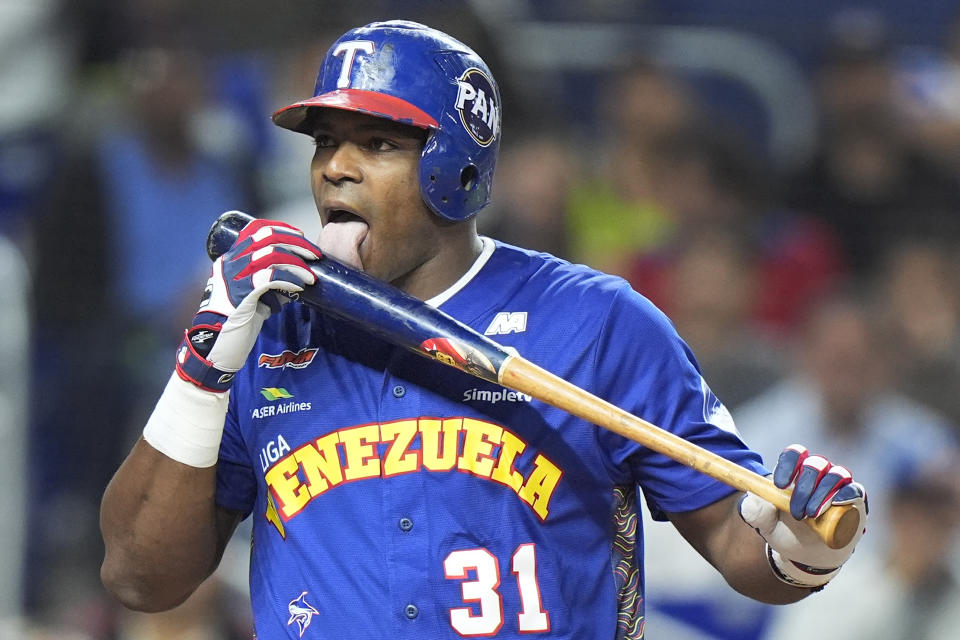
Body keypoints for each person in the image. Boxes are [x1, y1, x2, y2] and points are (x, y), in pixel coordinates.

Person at [100, 20, 868, 639]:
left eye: (377, 144)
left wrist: (801, 546)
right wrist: (202, 366)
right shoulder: (263, 331)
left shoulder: (598, 322)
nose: (336, 167)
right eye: (326, 142)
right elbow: (140, 578)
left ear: (454, 167)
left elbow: (740, 545)